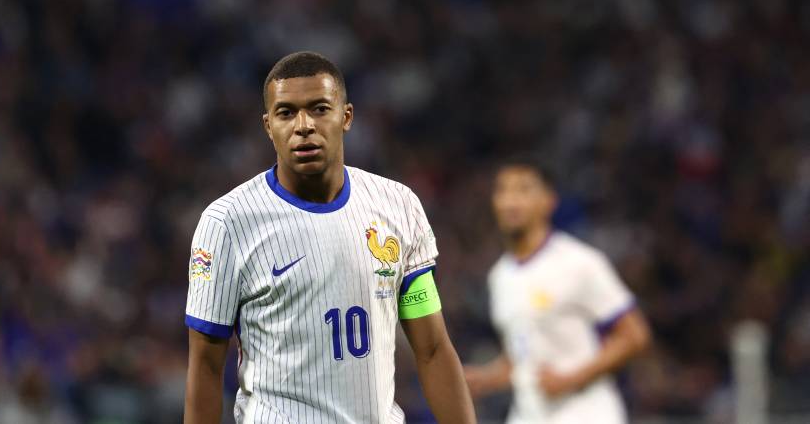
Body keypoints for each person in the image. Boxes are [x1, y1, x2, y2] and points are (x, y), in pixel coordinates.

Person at [184, 51, 477, 424]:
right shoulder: (227, 223)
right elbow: (206, 367)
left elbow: (433, 348)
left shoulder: (398, 206)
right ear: (268, 125)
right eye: (286, 112)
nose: (303, 125)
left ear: (346, 117)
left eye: (319, 109)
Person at [464, 159, 651, 424]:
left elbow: (634, 335)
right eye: (502, 191)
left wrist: (571, 379)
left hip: (585, 413)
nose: (510, 201)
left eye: (523, 190)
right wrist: (485, 378)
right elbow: (521, 354)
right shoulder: (500, 276)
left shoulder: (579, 262)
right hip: (529, 415)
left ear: (548, 201)